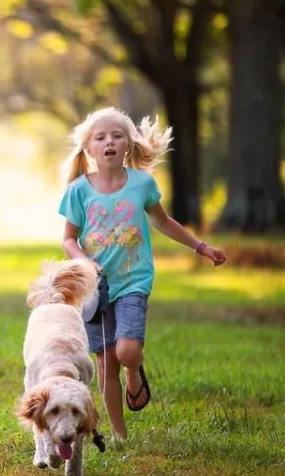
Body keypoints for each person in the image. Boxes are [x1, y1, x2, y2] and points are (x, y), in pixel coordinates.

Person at [58, 107, 227, 441]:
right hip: (97, 288)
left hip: (134, 280)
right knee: (106, 363)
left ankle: (135, 372)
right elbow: (68, 239)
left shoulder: (142, 184)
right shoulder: (79, 190)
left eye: (117, 136)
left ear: (128, 146)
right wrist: (84, 263)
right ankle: (120, 435)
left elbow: (164, 222)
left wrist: (201, 247)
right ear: (90, 149)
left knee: (127, 352)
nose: (109, 141)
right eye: (101, 137)